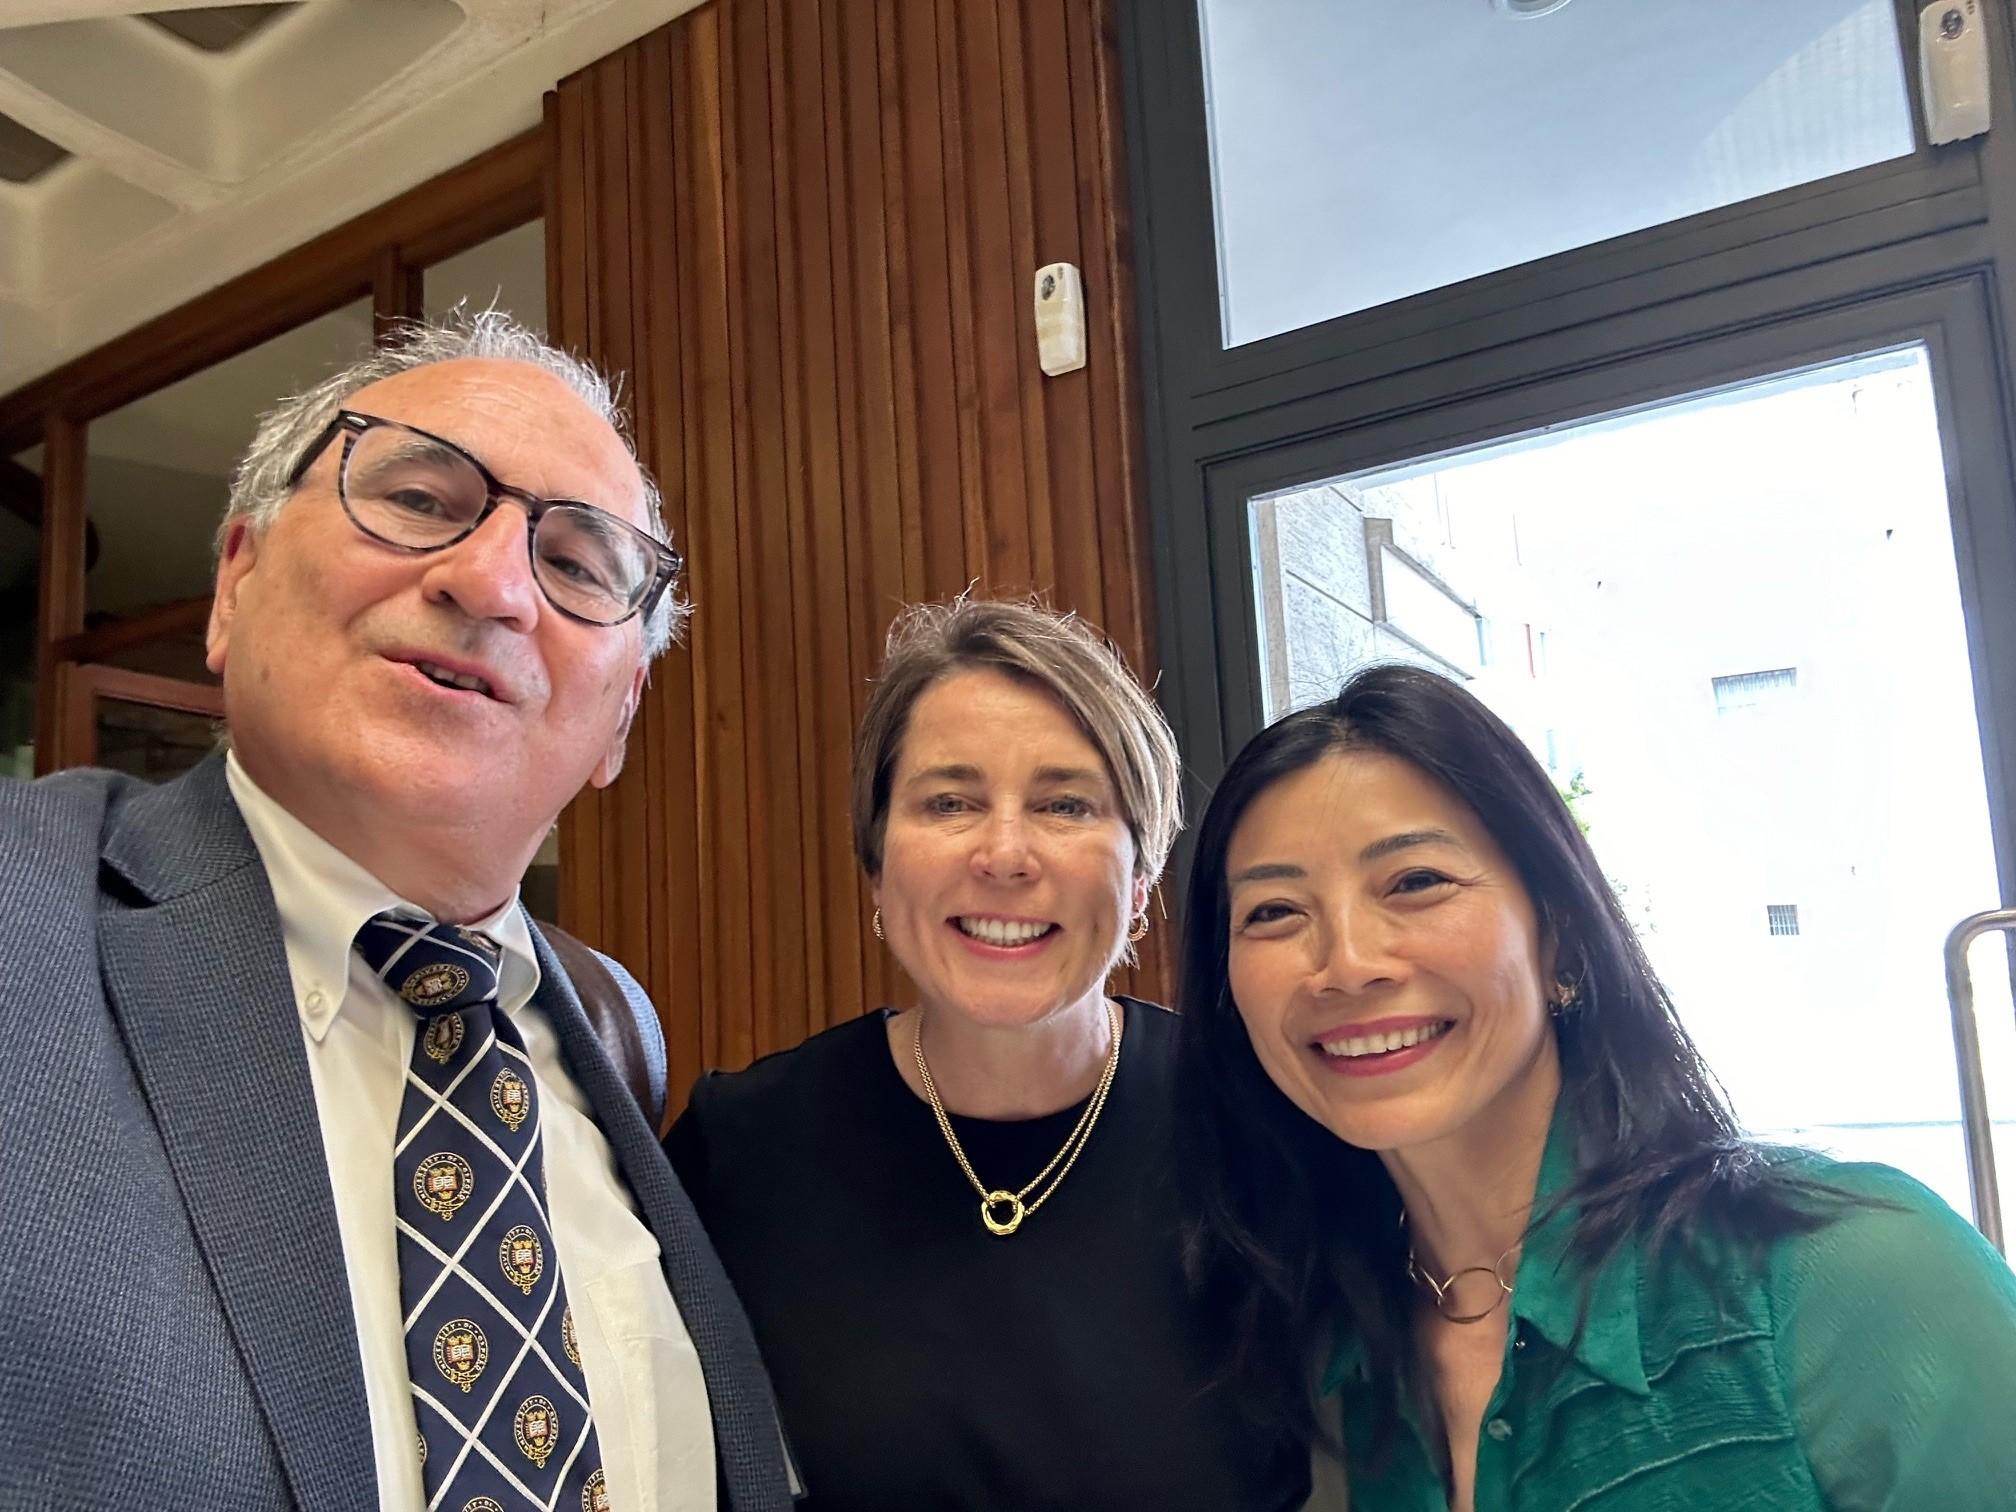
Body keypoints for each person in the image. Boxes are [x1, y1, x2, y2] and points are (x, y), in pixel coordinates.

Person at [0, 311, 793, 1512]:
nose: (489, 583)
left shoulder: (615, 1028)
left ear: (620, 719)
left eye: (578, 565)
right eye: (421, 498)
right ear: (235, 580)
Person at [1178, 663, 2016, 1512]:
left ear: (1563, 938)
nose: (1347, 965)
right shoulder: (1313, 1364)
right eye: (1275, 912)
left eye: (1415, 882)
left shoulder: (1856, 1268)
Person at [666, 597, 1311, 1511]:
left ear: (1139, 882)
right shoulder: (738, 1150)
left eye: (1064, 803)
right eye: (950, 802)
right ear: (879, 872)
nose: (1006, 854)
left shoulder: (1264, 1121)